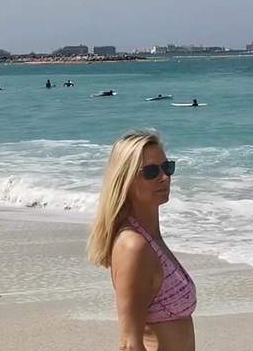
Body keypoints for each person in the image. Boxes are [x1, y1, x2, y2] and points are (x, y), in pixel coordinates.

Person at [87, 131, 196, 351]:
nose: (164, 177)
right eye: (150, 172)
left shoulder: (150, 239)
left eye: (167, 167)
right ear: (125, 180)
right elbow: (129, 344)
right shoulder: (134, 247)